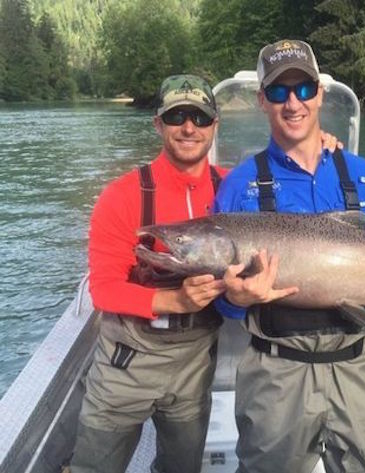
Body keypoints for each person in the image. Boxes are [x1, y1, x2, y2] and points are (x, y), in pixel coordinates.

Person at [213, 39, 365, 473]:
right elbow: (222, 299)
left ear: (320, 94)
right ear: (261, 101)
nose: (293, 103)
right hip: (275, 374)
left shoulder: (364, 175)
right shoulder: (237, 184)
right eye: (278, 92)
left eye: (303, 90)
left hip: (360, 364)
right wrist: (237, 298)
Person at [70, 75, 228, 473]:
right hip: (125, 364)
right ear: (158, 124)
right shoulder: (121, 196)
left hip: (196, 365)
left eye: (200, 116)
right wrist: (173, 300)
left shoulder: (233, 186)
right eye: (176, 116)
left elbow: (290, 199)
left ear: (214, 125)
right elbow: (104, 290)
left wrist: (325, 150)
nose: (189, 127)